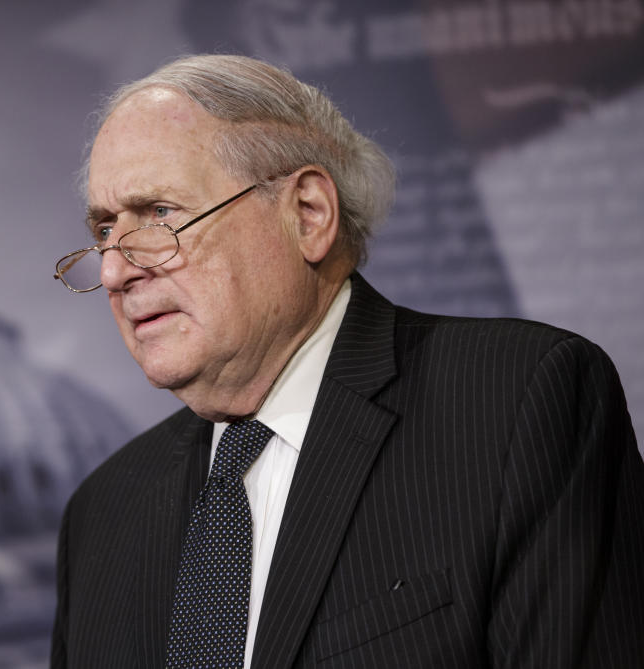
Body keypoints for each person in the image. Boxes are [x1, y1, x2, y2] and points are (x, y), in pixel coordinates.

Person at [49, 54, 644, 668]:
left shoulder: (517, 402)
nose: (116, 270)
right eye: (102, 232)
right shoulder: (102, 515)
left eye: (159, 215)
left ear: (308, 214)